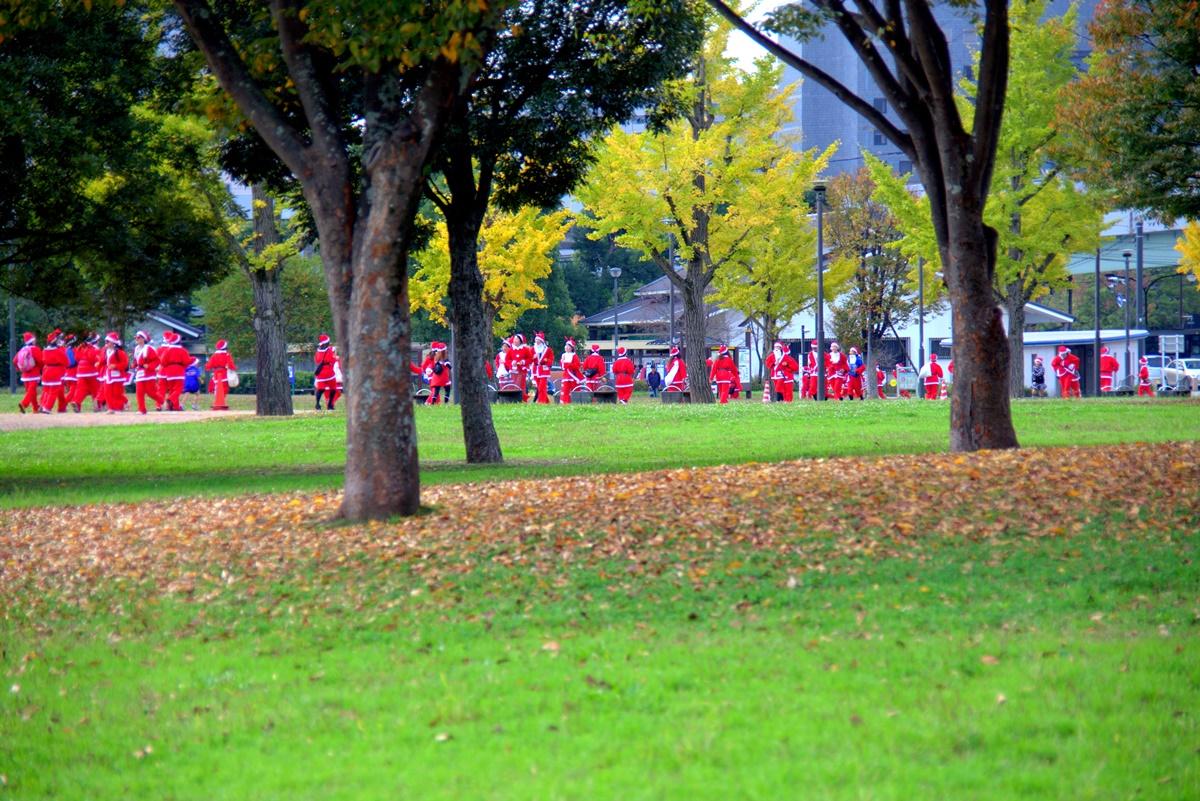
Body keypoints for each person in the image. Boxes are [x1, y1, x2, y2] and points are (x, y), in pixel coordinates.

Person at [132, 330, 164, 415]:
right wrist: (134, 365)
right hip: (139, 372)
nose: (137, 339)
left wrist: (149, 366)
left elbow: (157, 360)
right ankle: (142, 409)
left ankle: (161, 400)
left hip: (149, 373)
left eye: (138, 338)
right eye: (136, 338)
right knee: (139, 392)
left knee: (150, 392)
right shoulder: (136, 349)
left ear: (143, 339)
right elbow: (136, 360)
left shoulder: (149, 348)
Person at [157, 331, 191, 411]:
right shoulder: (183, 350)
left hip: (168, 371)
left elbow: (162, 362)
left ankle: (173, 406)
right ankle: (171, 400)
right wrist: (183, 367)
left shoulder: (167, 350)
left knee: (170, 389)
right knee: (178, 388)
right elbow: (187, 362)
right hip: (179, 370)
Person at [38, 329, 69, 414]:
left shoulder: (44, 351)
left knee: (46, 390)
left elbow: (42, 361)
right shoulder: (58, 351)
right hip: (55, 371)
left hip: (46, 370)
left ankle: (42, 405)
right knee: (53, 391)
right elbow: (66, 362)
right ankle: (47, 407)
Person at [71, 333, 103, 412]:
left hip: (80, 371)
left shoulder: (81, 347)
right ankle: (97, 406)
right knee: (95, 389)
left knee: (81, 389)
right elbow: (93, 359)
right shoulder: (94, 349)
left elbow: (77, 358)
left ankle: (76, 402)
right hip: (91, 371)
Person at [13, 331, 42, 414]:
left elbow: (15, 361)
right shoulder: (35, 349)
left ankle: (35, 408)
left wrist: (20, 368)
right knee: (31, 391)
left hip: (25, 375)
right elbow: (41, 361)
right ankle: (24, 403)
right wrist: (41, 370)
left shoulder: (22, 350)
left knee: (31, 392)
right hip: (34, 374)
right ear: (32, 341)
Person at [205, 339, 236, 411]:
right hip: (224, 373)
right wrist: (234, 368)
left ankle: (218, 402)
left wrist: (210, 367)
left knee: (217, 388)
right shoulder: (227, 354)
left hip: (216, 373)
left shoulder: (214, 355)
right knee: (224, 389)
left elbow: (208, 366)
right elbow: (231, 364)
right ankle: (220, 403)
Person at [103, 332, 129, 413]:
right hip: (108, 375)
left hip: (118, 376)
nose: (106, 343)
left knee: (117, 393)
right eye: (106, 341)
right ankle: (110, 408)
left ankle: (118, 407)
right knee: (107, 392)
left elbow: (125, 364)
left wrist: (115, 366)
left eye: (108, 341)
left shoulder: (120, 353)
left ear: (113, 342)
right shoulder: (105, 351)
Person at [313, 334, 339, 410]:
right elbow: (333, 360)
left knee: (320, 389)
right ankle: (330, 404)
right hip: (329, 373)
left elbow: (316, 360)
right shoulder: (330, 350)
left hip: (320, 374)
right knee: (333, 389)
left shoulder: (318, 352)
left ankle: (317, 404)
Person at [531, 332, 554, 404]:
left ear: (542, 341)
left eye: (538, 340)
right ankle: (546, 402)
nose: (537, 342)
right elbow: (529, 359)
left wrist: (546, 360)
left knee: (542, 387)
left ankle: (542, 402)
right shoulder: (532, 349)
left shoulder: (547, 350)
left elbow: (551, 359)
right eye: (536, 340)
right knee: (539, 387)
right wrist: (533, 357)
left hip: (544, 370)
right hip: (536, 370)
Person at [559, 338, 583, 404]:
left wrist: (568, 364)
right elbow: (562, 366)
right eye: (566, 346)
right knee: (565, 390)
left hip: (573, 376)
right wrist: (563, 362)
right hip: (566, 375)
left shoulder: (574, 356)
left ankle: (576, 402)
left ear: (571, 348)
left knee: (575, 390)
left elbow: (577, 366)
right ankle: (565, 403)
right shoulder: (563, 355)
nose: (566, 347)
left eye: (568, 346)